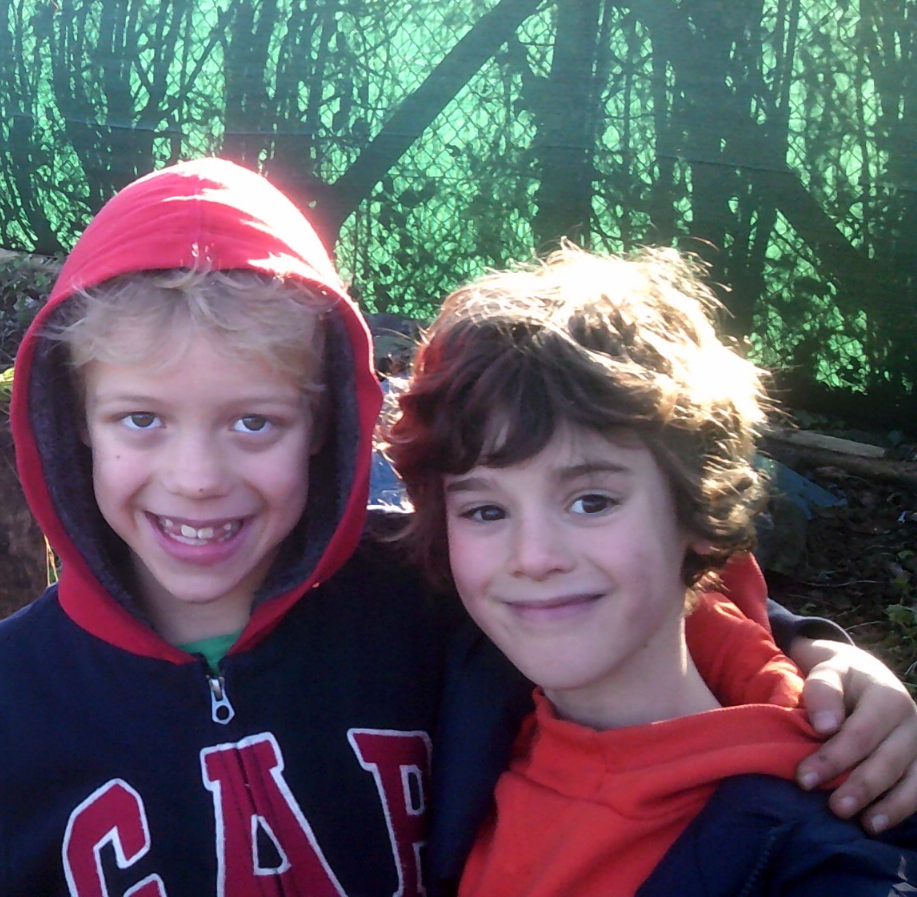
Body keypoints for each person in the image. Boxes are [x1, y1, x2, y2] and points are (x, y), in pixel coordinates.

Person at [0, 160, 917, 896]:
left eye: (254, 423)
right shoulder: (6, 701)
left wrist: (823, 662)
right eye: (141, 419)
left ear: (328, 427)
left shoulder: (421, 599)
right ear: (72, 427)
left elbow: (630, 604)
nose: (197, 479)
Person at [385, 246, 917, 896]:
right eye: (486, 510)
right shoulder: (466, 691)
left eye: (592, 502)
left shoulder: (819, 846)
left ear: (697, 508)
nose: (533, 557)